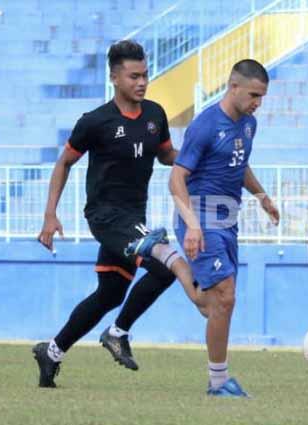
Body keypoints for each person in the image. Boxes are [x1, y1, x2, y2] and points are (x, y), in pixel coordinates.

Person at [32, 40, 201, 388]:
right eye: (134, 76)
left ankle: (51, 352)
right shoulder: (95, 122)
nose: (142, 82)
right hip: (106, 216)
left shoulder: (155, 116)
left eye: (145, 75)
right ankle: (118, 332)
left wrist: (196, 162)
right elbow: (64, 162)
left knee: (110, 293)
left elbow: (168, 156)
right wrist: (50, 214)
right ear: (114, 77)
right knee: (163, 265)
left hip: (133, 218)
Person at [128, 59, 279, 397]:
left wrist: (261, 195)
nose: (258, 103)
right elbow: (176, 178)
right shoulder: (206, 124)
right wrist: (193, 226)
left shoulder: (249, 124)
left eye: (262, 97)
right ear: (233, 86)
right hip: (199, 217)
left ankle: (165, 255)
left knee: (211, 304)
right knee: (224, 298)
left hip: (227, 221)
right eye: (254, 95)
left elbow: (238, 164)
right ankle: (218, 382)